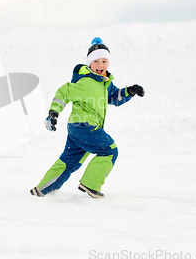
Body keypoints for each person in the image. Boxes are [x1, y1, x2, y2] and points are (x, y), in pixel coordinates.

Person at [30, 37, 145, 198]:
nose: (100, 65)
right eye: (96, 61)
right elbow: (64, 92)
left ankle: (42, 189)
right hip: (85, 126)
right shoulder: (85, 81)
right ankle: (90, 185)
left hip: (77, 128)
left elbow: (114, 97)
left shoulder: (105, 84)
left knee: (68, 161)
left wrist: (130, 91)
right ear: (89, 63)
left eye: (104, 61)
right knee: (109, 150)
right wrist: (54, 112)